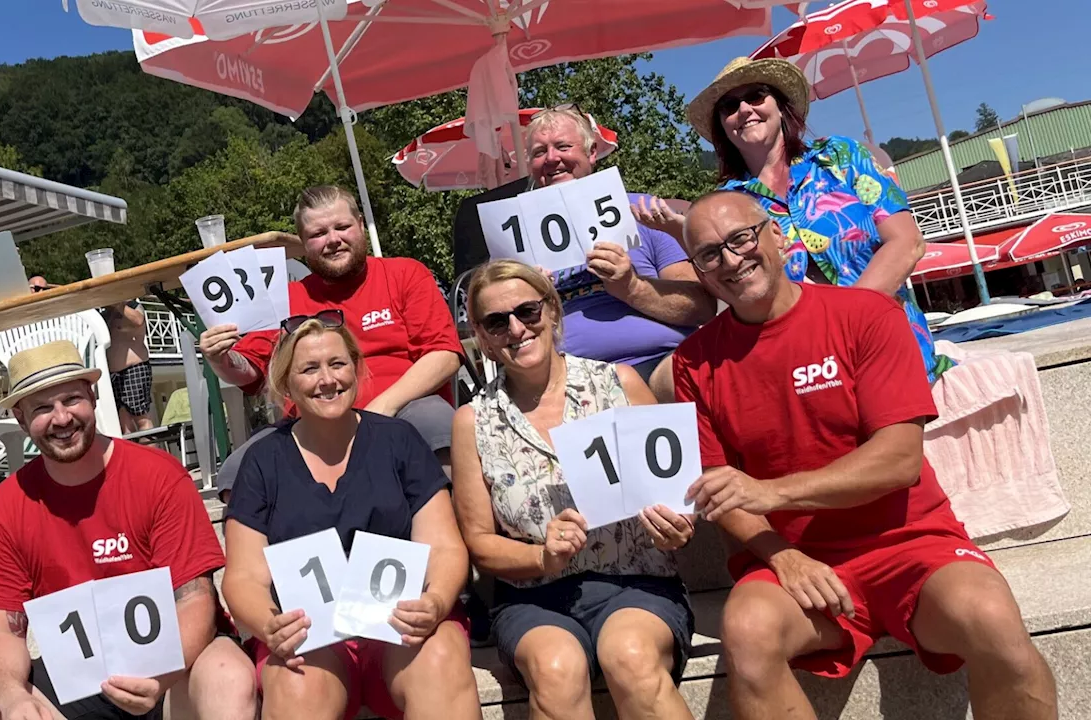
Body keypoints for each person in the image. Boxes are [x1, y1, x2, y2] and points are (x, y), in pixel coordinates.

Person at [672, 191, 1056, 720]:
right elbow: (717, 487)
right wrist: (783, 555)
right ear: (700, 271)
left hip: (909, 544)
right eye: (709, 254)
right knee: (746, 631)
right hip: (795, 559)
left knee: (994, 622)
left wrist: (772, 491)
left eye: (741, 238)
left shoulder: (867, 313)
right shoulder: (694, 361)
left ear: (778, 237)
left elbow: (898, 461)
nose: (731, 260)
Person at [0, 340, 257, 720]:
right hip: (79, 676)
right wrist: (13, 699)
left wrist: (159, 677)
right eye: (43, 408)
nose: (62, 418)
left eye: (71, 400)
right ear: (20, 419)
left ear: (93, 395)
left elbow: (195, 600)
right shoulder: (7, 506)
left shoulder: (159, 475)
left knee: (228, 678)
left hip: (178, 666)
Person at [450, 259, 696, 720]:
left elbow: (679, 493)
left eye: (528, 311)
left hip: (637, 581)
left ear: (553, 311)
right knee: (556, 669)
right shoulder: (473, 421)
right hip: (534, 598)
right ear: (481, 337)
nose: (516, 329)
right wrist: (541, 556)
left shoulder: (619, 385)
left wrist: (678, 525)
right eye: (496, 322)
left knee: (632, 656)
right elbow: (480, 542)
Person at [221, 315, 480, 720]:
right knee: (294, 683)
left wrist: (435, 600)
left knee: (441, 656)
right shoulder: (261, 462)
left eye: (337, 364)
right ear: (286, 385)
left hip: (397, 624)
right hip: (309, 634)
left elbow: (444, 546)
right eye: (309, 369)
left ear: (356, 368)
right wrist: (270, 624)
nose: (327, 379)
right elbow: (243, 576)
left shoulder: (399, 441)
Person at [639, 57, 949, 383]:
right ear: (722, 127)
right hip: (804, 367)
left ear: (780, 105)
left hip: (890, 341)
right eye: (729, 106)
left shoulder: (841, 157)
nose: (744, 109)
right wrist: (681, 234)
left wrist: (849, 323)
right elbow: (735, 291)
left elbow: (907, 242)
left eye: (756, 96)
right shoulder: (727, 205)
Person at [201, 185, 464, 503]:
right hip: (310, 423)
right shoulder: (284, 298)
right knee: (235, 473)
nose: (333, 240)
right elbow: (252, 371)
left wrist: (382, 408)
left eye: (342, 227)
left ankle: (455, 540)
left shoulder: (405, 274)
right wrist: (221, 359)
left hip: (403, 409)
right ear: (303, 244)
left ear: (360, 225)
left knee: (438, 425)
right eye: (318, 234)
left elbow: (444, 354)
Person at [522, 106, 716, 402]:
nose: (551, 158)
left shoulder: (643, 211)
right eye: (539, 152)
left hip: (663, 365)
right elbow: (494, 331)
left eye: (563, 146)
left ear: (592, 153)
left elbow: (700, 306)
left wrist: (632, 288)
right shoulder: (516, 236)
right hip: (569, 386)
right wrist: (529, 306)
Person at [100, 299, 156, 434]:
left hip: (134, 367)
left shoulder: (134, 307)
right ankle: (132, 453)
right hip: (113, 374)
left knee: (141, 418)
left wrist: (118, 304)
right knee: (123, 422)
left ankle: (150, 454)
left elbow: (138, 321)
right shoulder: (105, 314)